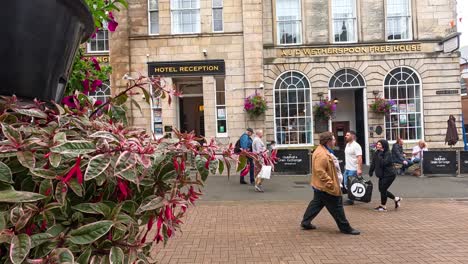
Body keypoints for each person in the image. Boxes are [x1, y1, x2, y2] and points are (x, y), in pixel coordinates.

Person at [300, 131, 360, 235]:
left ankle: (305, 222)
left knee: (316, 203)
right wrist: (331, 184)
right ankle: (345, 228)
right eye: (333, 139)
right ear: (328, 141)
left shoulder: (324, 151)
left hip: (321, 187)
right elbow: (320, 171)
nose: (335, 141)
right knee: (337, 207)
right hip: (326, 187)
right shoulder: (321, 154)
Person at [369, 139, 402, 212]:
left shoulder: (388, 153)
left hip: (389, 175)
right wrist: (371, 171)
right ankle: (396, 199)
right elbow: (373, 163)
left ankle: (383, 206)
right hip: (382, 175)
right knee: (381, 190)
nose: (378, 145)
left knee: (383, 189)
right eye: (377, 144)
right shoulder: (376, 153)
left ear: (384, 145)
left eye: (380, 144)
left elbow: (384, 163)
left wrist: (380, 155)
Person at [343, 131, 362, 205]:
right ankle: (351, 197)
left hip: (353, 169)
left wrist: (359, 169)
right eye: (346, 135)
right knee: (346, 184)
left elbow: (359, 158)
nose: (345, 136)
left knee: (351, 184)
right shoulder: (347, 144)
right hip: (347, 168)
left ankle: (351, 199)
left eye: (347, 135)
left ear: (352, 136)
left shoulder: (356, 146)